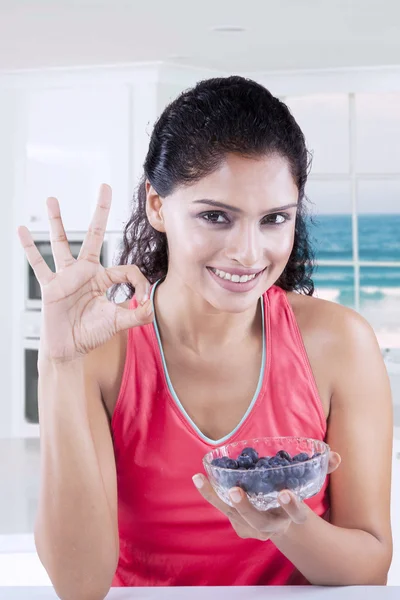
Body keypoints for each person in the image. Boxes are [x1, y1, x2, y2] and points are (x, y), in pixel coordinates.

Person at [17, 75, 393, 598]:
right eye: (216, 216)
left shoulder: (340, 344)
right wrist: (58, 364)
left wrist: (287, 526)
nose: (247, 251)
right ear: (156, 206)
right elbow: (80, 585)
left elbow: (371, 566)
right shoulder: (103, 353)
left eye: (273, 219)